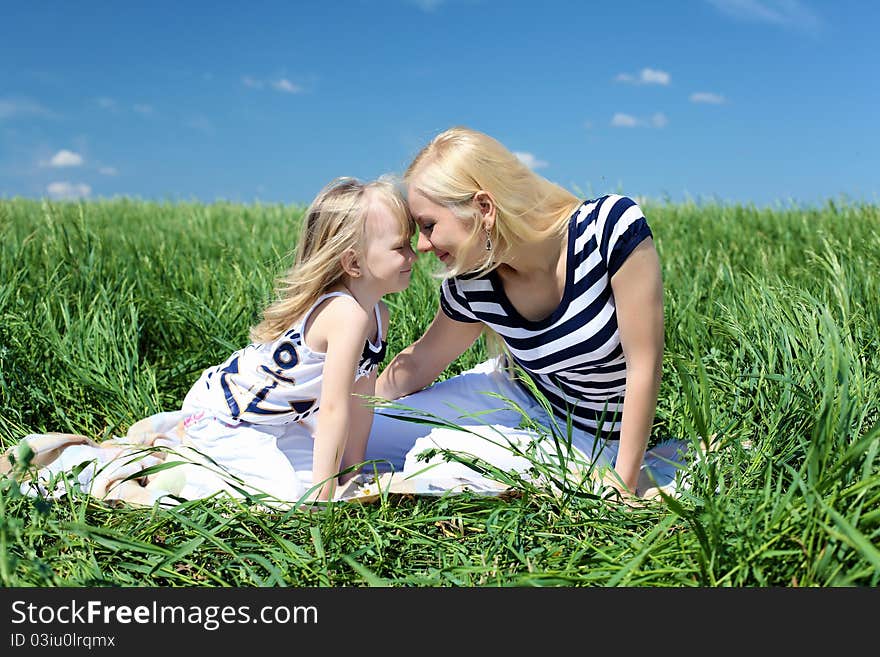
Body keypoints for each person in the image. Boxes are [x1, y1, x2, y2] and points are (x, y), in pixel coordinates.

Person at [5, 176, 416, 505]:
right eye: (401, 247)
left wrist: (352, 468)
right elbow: (331, 410)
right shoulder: (345, 313)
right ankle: (122, 464)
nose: (415, 256)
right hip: (226, 417)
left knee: (317, 478)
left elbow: (360, 402)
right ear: (353, 261)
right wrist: (326, 494)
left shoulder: (378, 313)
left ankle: (187, 449)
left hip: (270, 422)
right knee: (292, 497)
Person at [364, 127, 665, 498]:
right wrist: (341, 403)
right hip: (513, 394)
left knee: (438, 455)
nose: (422, 246)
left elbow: (645, 365)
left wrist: (623, 483)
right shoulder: (474, 280)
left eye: (429, 226)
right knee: (359, 433)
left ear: (484, 209)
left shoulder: (607, 229)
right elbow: (421, 361)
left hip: (591, 436)